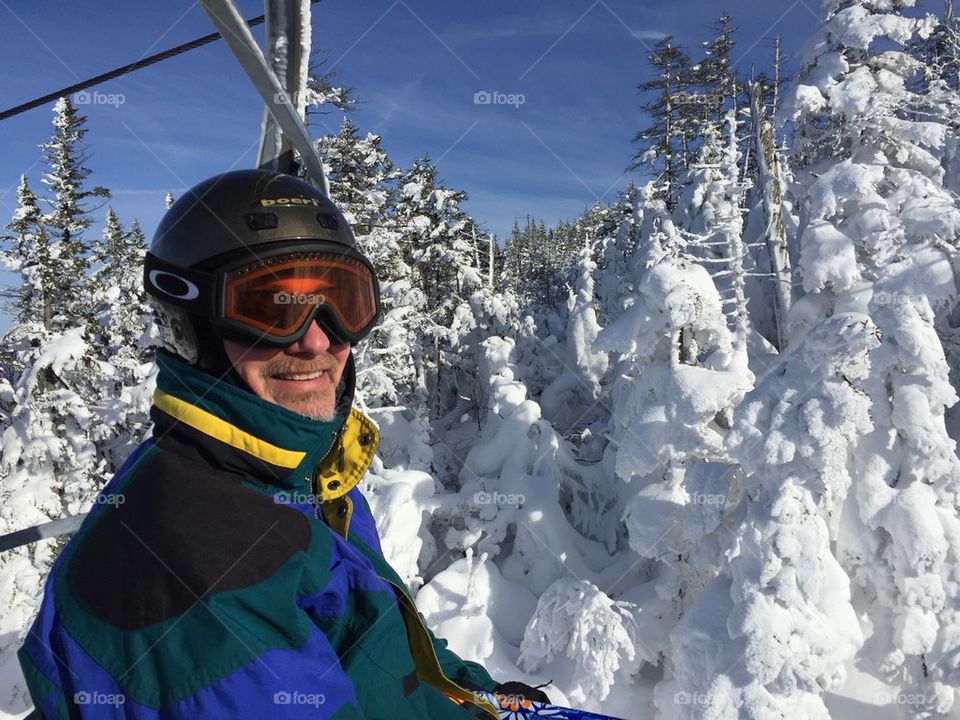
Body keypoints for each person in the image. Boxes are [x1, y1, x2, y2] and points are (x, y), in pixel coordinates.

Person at [17, 170, 548, 718]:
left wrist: (480, 697)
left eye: (343, 301)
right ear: (191, 325)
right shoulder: (202, 573)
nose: (318, 338)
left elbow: (381, 646)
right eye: (271, 308)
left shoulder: (299, 476)